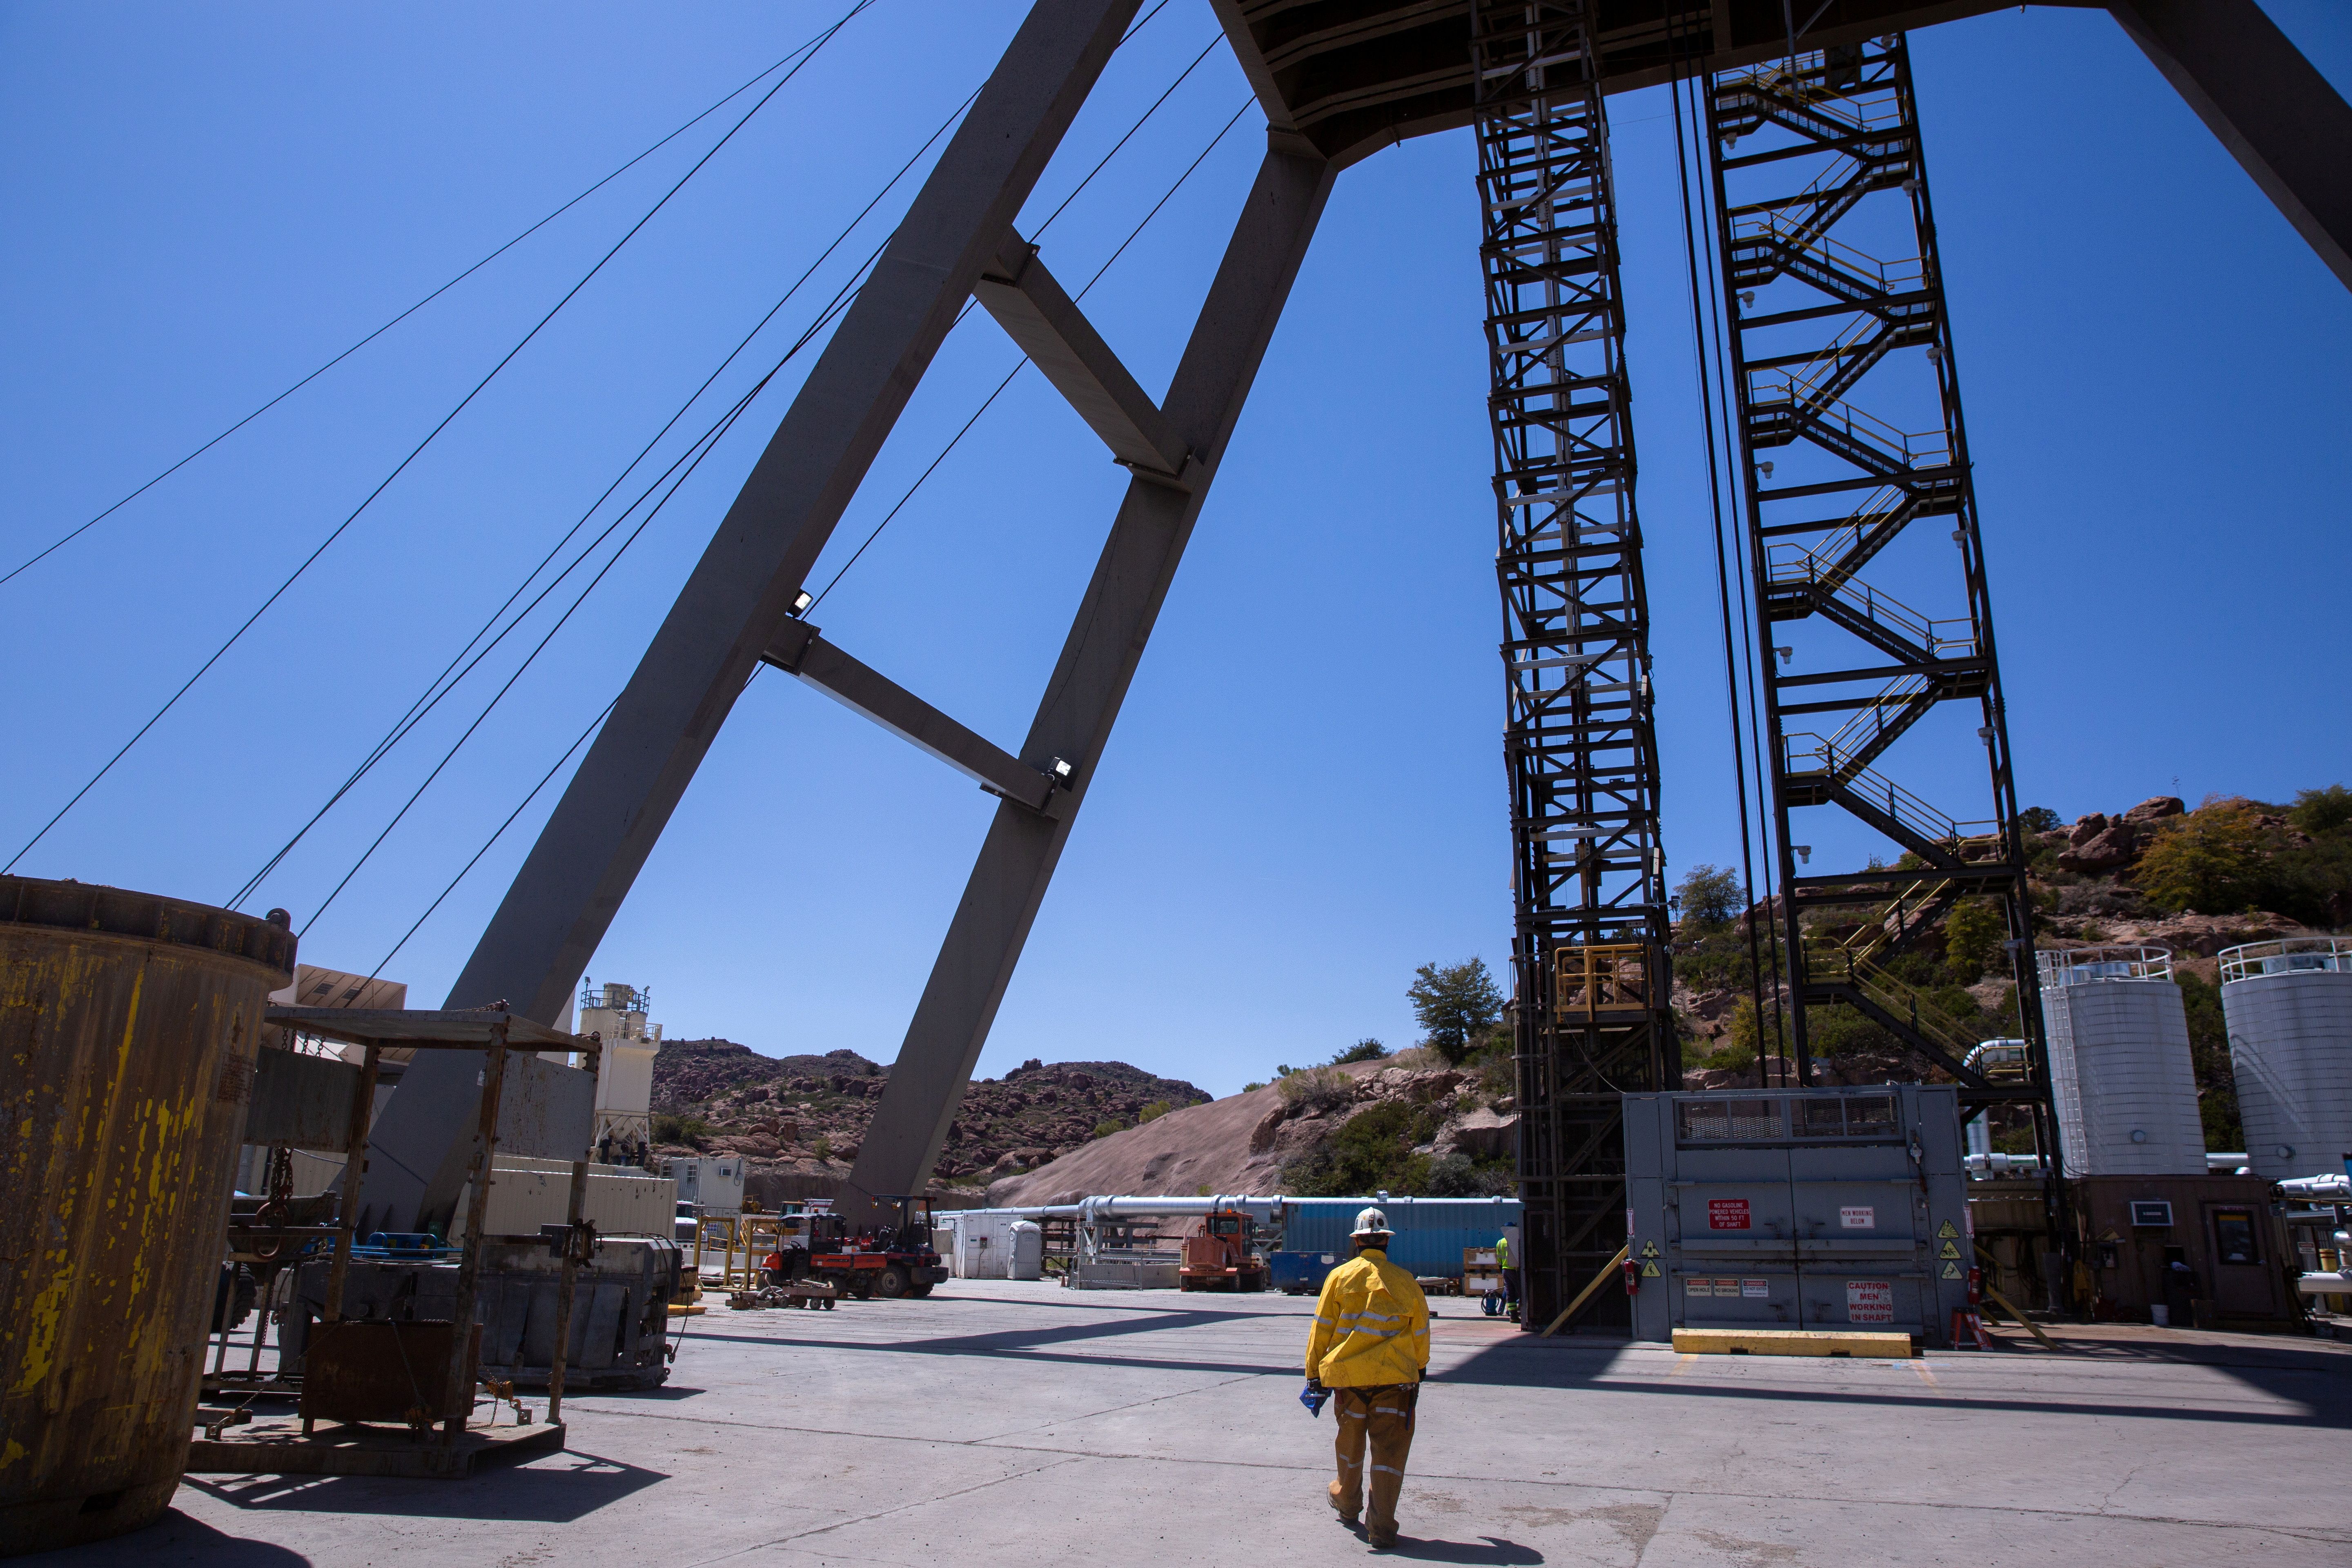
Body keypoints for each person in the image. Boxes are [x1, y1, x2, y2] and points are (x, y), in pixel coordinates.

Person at [1303, 1207, 1430, 1549]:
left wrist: (1314, 1374)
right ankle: (1383, 1528)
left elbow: (1322, 1329)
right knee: (1389, 1455)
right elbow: (1420, 1331)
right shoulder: (1406, 1282)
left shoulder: (1340, 1278)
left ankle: (1347, 1503)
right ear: (1387, 1241)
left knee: (1350, 1446)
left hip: (1348, 1382)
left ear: (1357, 1241)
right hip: (1396, 1382)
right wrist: (1420, 1368)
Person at [1496, 1226, 1521, 1324]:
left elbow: (1499, 1260)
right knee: (1521, 1292)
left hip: (1505, 1270)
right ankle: (1525, 1313)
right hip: (1515, 1270)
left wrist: (1501, 1271)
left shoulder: (1500, 1242)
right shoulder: (1516, 1241)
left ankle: (1513, 1316)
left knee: (1510, 1293)